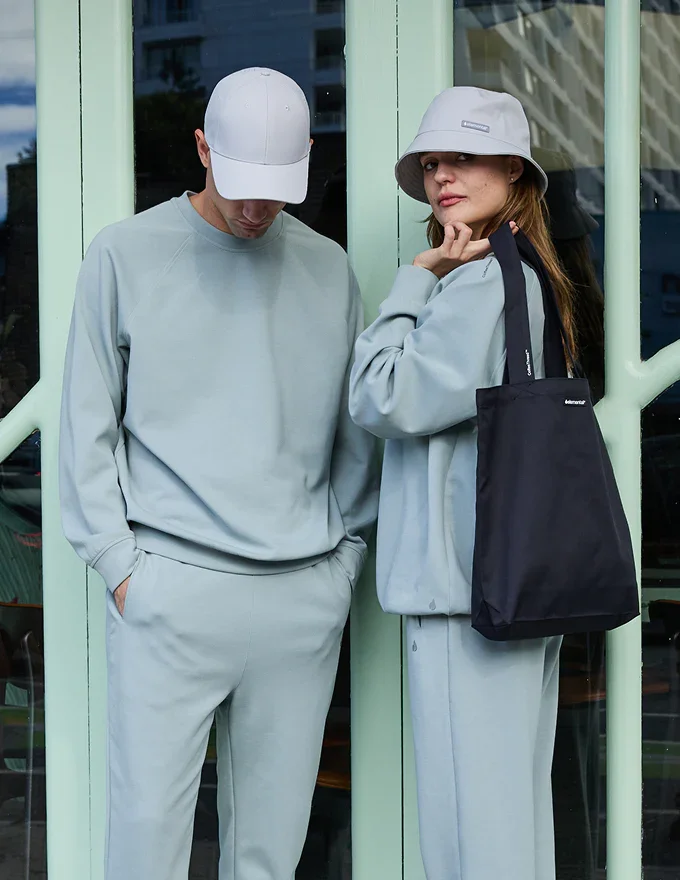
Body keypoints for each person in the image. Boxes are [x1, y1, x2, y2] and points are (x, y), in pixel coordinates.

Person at [59, 67, 377, 880]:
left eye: (277, 189)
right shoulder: (125, 254)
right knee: (144, 847)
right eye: (241, 184)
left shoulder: (329, 268)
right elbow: (85, 426)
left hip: (300, 597)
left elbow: (355, 438)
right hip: (169, 589)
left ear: (307, 158)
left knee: (271, 853)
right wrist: (120, 566)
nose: (257, 208)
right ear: (202, 148)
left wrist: (341, 566)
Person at [349, 87, 575, 880]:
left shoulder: (479, 284)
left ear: (513, 169)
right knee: (508, 822)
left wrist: (416, 278)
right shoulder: (527, 275)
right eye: (433, 162)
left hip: (465, 596)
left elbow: (381, 397)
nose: (443, 175)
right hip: (509, 586)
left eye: (465, 157)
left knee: (470, 836)